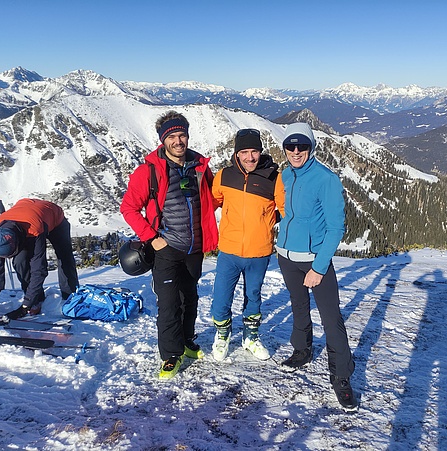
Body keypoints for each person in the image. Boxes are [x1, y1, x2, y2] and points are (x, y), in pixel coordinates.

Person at [121, 110, 218, 380]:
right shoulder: (149, 171)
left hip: (194, 249)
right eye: (172, 136)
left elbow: (214, 197)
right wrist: (153, 238)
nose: (178, 141)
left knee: (190, 299)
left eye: (182, 135)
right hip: (166, 249)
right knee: (168, 304)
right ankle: (170, 356)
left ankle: (187, 342)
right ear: (164, 140)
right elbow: (128, 208)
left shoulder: (200, 166)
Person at [275, 122, 358, 411]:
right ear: (285, 148)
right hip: (286, 257)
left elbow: (336, 228)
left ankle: (342, 376)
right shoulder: (287, 174)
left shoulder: (326, 179)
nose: (296, 152)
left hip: (314, 261)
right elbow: (289, 213)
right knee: (298, 306)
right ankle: (302, 350)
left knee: (331, 318)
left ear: (311, 148)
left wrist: (319, 267)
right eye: (290, 146)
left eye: (302, 146)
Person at [210, 128, 285, 361]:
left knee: (253, 296)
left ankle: (250, 336)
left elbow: (284, 210)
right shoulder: (224, 176)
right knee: (221, 298)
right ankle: (223, 334)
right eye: (245, 152)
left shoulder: (274, 177)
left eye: (254, 151)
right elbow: (213, 202)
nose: (250, 157)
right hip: (229, 251)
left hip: (259, 252)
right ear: (236, 154)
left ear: (261, 152)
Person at [0, 198, 79, 319]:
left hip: (53, 216)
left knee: (64, 257)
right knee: (19, 261)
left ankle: (70, 297)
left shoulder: (35, 230)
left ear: (17, 243)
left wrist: (25, 305)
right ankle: (36, 299)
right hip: (25, 210)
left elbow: (39, 269)